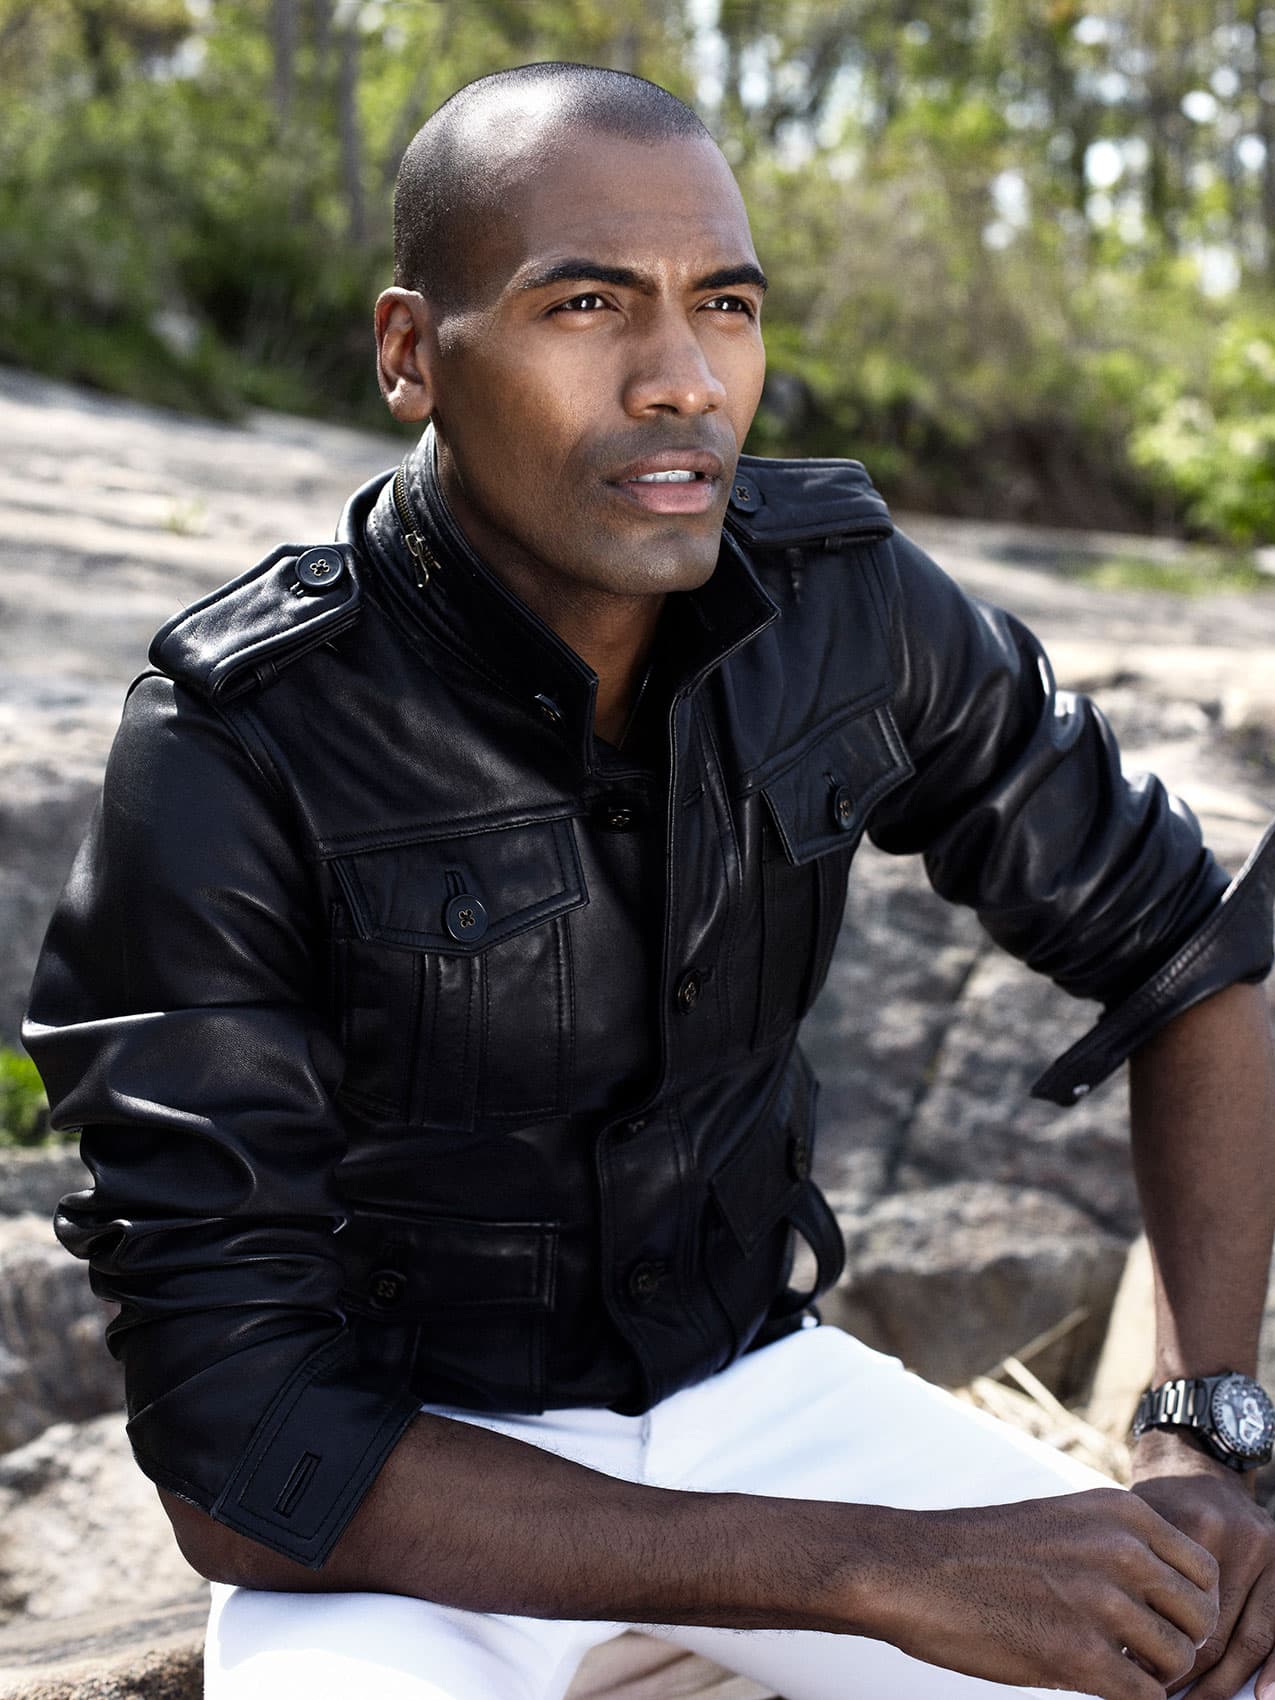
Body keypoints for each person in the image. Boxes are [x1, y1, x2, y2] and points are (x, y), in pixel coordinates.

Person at [23, 61, 1275, 1700]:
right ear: (412, 353)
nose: (683, 378)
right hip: (422, 1496)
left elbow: (1193, 951)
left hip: (769, 1402)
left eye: (725, 306)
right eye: (587, 304)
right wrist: (872, 1573)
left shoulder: (851, 608)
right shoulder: (233, 745)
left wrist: (1201, 1427)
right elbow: (240, 1446)